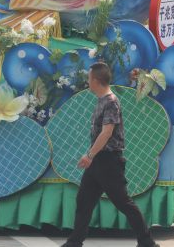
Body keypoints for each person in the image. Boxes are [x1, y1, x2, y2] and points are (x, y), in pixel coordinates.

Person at [61, 62, 157, 247]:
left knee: (122, 202)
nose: (88, 82)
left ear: (96, 80)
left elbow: (106, 133)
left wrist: (88, 155)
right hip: (98, 160)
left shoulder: (111, 101)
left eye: (89, 78)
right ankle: (75, 242)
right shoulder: (101, 101)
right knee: (84, 200)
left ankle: (147, 241)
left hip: (109, 161)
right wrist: (92, 157)